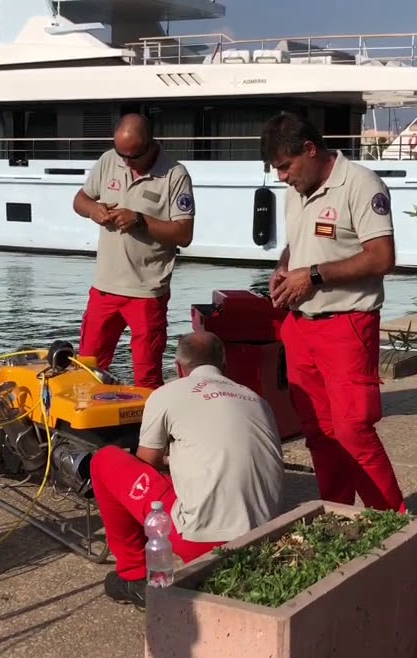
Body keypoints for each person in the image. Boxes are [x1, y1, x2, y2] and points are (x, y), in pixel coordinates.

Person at [260, 111, 407, 514]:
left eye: (285, 167)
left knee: (352, 430)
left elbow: (382, 258)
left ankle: (391, 519)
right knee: (319, 433)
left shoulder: (360, 184)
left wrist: (314, 276)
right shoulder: (297, 191)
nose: (282, 177)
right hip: (301, 326)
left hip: (346, 325)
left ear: (310, 150)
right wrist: (284, 269)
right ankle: (336, 511)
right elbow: (298, 244)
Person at [89, 331, 286, 608]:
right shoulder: (257, 399)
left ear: (179, 367)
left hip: (202, 542)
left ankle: (133, 575)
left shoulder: (167, 394)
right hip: (264, 536)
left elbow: (146, 464)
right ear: (224, 365)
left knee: (105, 461)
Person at [72, 113, 196, 389]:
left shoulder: (175, 175)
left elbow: (184, 234)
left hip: (146, 292)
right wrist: (94, 209)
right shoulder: (108, 160)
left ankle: (148, 431)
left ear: (152, 144)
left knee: (147, 377)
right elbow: (80, 200)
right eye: (122, 154)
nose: (126, 162)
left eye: (134, 156)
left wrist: (141, 220)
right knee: (87, 371)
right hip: (104, 287)